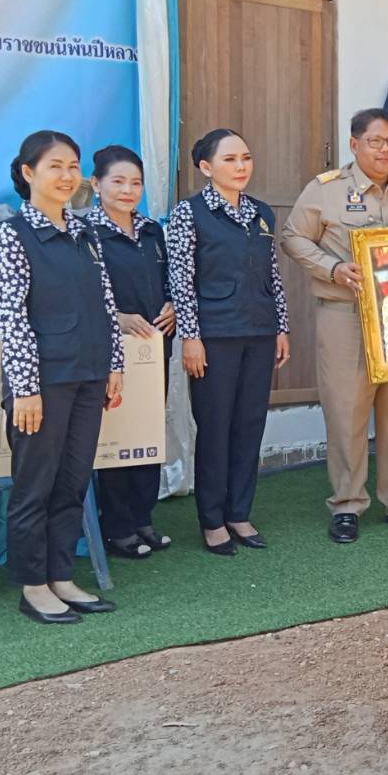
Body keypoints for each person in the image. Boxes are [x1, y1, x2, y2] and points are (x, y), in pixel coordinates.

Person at [279, 108, 388, 545]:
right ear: (354, 144)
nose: (385, 150)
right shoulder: (326, 190)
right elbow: (293, 236)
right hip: (345, 316)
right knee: (347, 409)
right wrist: (332, 269)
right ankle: (347, 504)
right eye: (375, 141)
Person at [0, 130, 124, 624]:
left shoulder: (85, 231)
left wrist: (114, 365)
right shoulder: (11, 235)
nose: (67, 176)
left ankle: (62, 574)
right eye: (55, 167)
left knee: (73, 480)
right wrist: (25, 388)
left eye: (73, 166)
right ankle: (33, 584)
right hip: (41, 383)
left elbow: (106, 304)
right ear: (28, 174)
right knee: (35, 486)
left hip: (89, 375)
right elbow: (13, 317)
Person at [168, 128, 292, 555]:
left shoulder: (261, 213)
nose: (241, 167)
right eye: (230, 160)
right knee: (216, 429)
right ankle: (212, 520)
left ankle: (239, 513)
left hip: (258, 333)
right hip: (214, 337)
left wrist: (281, 326)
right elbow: (181, 280)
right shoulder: (189, 214)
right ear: (206, 168)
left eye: (246, 157)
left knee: (249, 427)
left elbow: (272, 275)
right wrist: (191, 337)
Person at [86, 145, 174, 559]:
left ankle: (143, 519)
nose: (127, 190)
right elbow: (80, 293)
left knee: (148, 432)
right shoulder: (85, 233)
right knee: (117, 435)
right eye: (117, 182)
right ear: (95, 184)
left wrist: (173, 305)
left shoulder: (153, 231)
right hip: (109, 350)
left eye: (135, 183)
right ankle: (117, 527)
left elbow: (170, 279)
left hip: (155, 348)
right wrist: (116, 318)